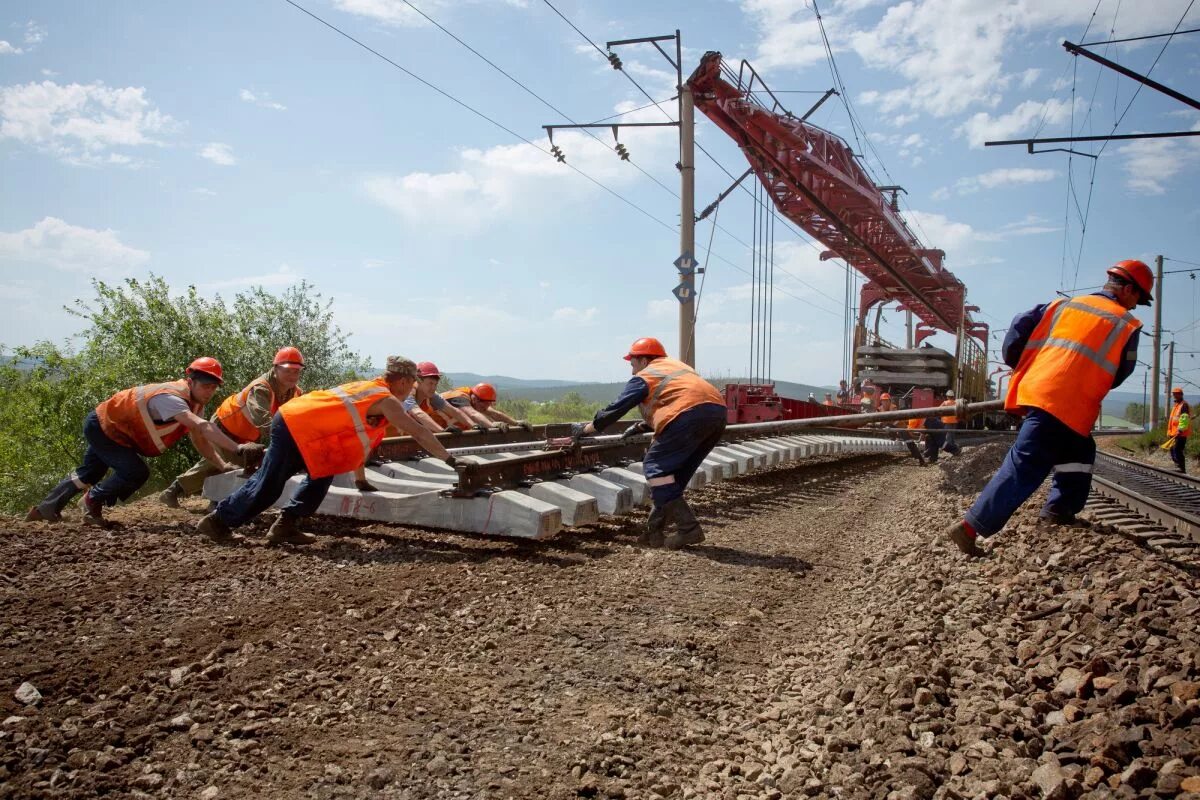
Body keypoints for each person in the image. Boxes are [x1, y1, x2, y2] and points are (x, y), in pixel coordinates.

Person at [944, 259, 1149, 557]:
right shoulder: (1125, 324)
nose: (1135, 306)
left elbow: (1018, 327)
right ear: (1128, 289)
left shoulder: (1061, 306)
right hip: (1066, 401)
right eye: (1138, 299)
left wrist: (1027, 368)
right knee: (1025, 465)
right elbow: (1121, 373)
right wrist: (1086, 379)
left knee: (1079, 451)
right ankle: (969, 527)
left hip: (1044, 393)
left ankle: (1059, 510)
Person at [197, 356, 457, 547]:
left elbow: (357, 440)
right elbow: (419, 432)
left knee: (323, 473)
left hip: (306, 430)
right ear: (402, 381)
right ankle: (218, 522)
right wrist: (451, 461)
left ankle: (286, 524)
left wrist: (360, 479)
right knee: (270, 484)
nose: (411, 389)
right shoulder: (386, 400)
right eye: (412, 384)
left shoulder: (371, 387)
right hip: (293, 425)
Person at [26, 358, 262, 527]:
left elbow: (199, 439)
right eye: (205, 386)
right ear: (190, 381)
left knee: (89, 473)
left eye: (213, 387)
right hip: (105, 426)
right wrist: (238, 448)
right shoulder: (172, 399)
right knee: (135, 472)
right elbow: (202, 427)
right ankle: (91, 501)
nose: (209, 392)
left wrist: (222, 465)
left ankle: (45, 509)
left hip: (111, 427)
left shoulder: (194, 402)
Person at [571, 337, 725, 549]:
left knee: (655, 468)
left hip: (689, 415)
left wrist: (587, 429)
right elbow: (680, 399)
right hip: (717, 414)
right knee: (670, 480)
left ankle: (689, 529)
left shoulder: (646, 375)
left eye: (633, 364)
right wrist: (643, 426)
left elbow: (617, 408)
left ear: (644, 360)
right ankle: (655, 531)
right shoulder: (677, 367)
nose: (632, 370)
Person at [159, 346, 306, 507]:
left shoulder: (296, 393)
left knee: (234, 465)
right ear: (276, 368)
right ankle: (185, 493)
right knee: (221, 463)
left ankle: (207, 497)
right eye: (287, 370)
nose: (292, 376)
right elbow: (263, 421)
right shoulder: (261, 388)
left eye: (296, 371)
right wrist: (287, 444)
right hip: (225, 425)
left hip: (247, 433)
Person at [404, 362, 479, 433]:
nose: (433, 388)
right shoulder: (407, 392)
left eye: (435, 384)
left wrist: (473, 425)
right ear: (418, 380)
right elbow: (418, 413)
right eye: (430, 383)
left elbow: (453, 411)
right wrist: (442, 431)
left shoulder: (432, 395)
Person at [440, 382, 530, 430]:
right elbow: (472, 414)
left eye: (489, 404)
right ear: (475, 399)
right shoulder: (459, 397)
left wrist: (516, 423)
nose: (487, 407)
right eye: (485, 404)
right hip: (434, 430)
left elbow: (495, 414)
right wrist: (491, 425)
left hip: (446, 430)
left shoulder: (477, 399)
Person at [1168, 387, 1190, 473]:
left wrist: (1180, 430)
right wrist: (1169, 432)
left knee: (1177, 449)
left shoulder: (1183, 405)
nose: (1174, 395)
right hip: (1173, 433)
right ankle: (1178, 466)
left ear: (1181, 395)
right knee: (1172, 449)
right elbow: (1173, 420)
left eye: (1176, 394)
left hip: (1180, 433)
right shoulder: (1176, 405)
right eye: (1174, 394)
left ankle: (1181, 468)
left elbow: (1184, 419)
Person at [939, 390, 961, 456]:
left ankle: (950, 450)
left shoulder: (945, 403)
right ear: (953, 396)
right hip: (954, 421)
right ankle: (954, 448)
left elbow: (938, 409)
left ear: (947, 396)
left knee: (948, 436)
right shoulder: (956, 403)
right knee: (952, 435)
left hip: (947, 421)